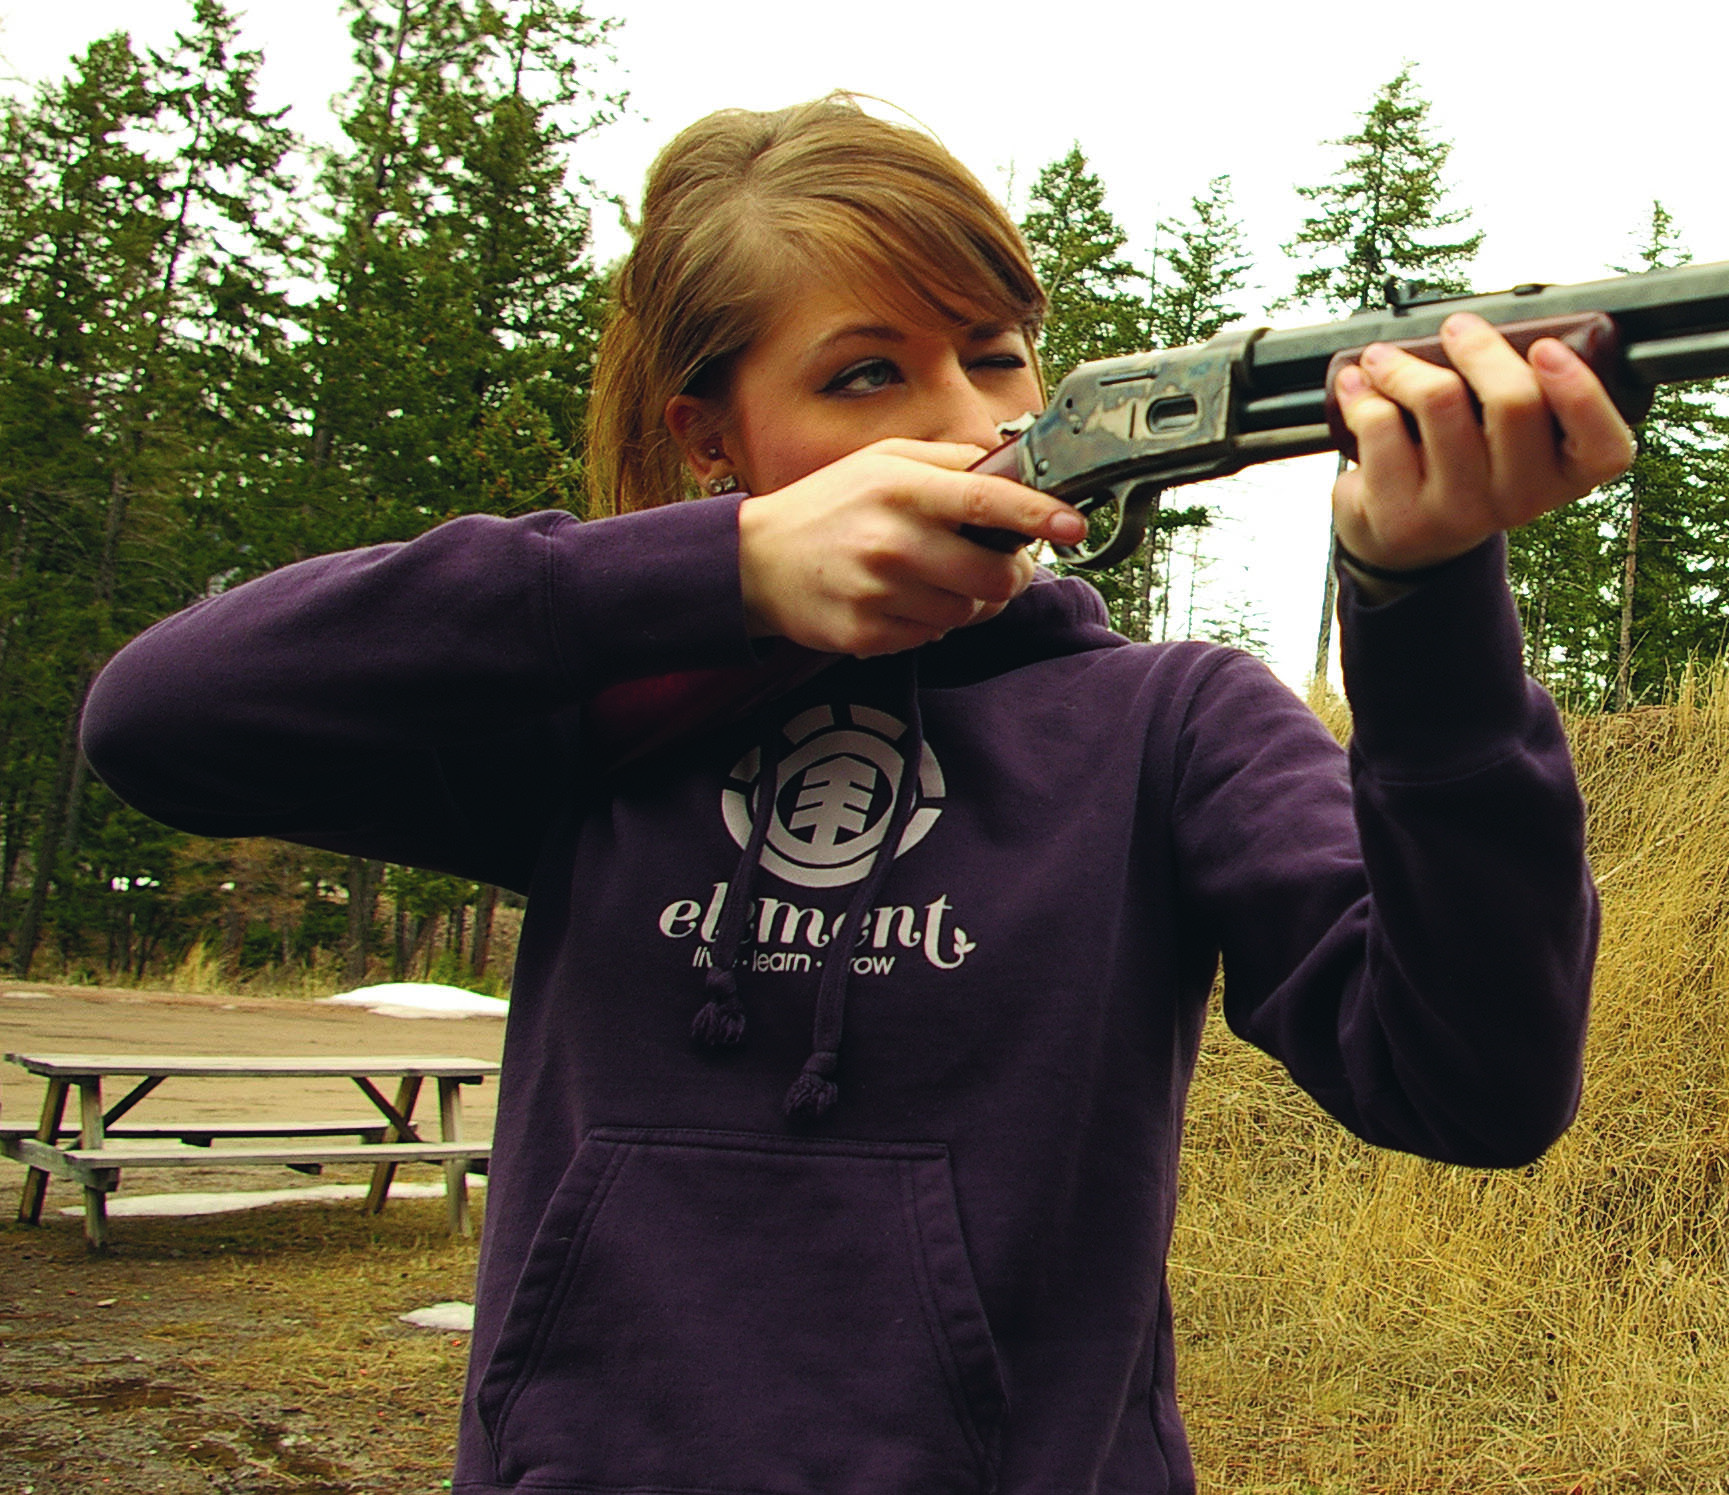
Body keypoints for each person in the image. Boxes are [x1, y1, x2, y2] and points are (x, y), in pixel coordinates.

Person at [82, 95, 1633, 1495]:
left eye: (999, 351)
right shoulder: (599, 720)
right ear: (716, 438)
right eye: (867, 371)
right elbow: (158, 717)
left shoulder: (1174, 722)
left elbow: (1472, 1086)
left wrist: (1425, 609)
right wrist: (723, 575)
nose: (967, 416)